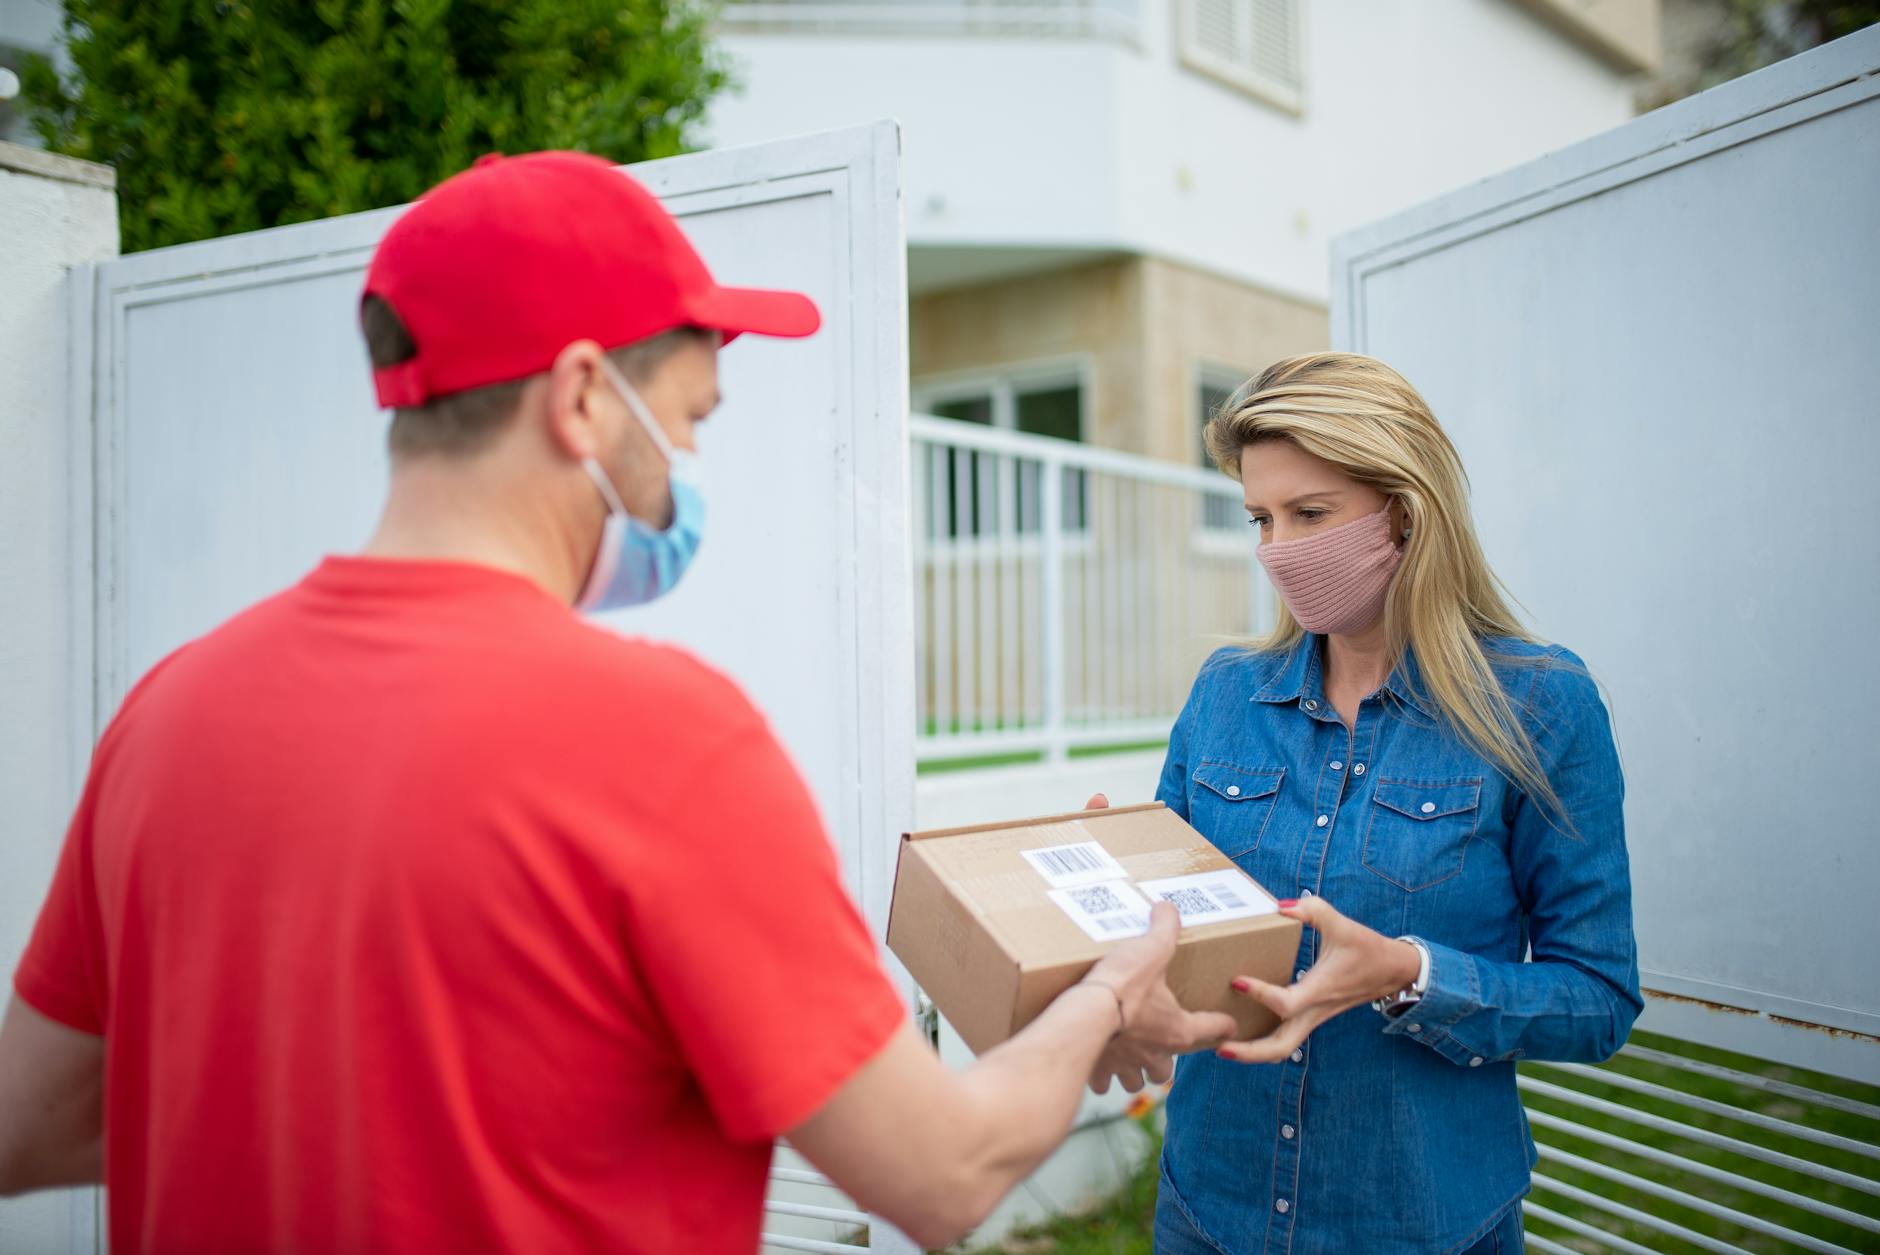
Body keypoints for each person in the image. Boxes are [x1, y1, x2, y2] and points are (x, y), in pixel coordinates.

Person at [0, 150, 1237, 1253]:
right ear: (584, 396)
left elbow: (34, 1121)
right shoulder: (665, 741)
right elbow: (941, 1170)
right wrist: (1106, 993)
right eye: (687, 420)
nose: (682, 472)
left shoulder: (172, 710)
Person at [1147, 353, 1641, 1255]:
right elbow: (1170, 927)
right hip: (1208, 1208)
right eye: (1260, 517)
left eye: (1311, 514)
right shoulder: (1224, 693)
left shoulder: (1541, 705)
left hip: (1423, 1222)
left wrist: (1410, 974)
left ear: (1406, 514)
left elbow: (1598, 997)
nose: (1276, 550)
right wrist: (1103, 885)